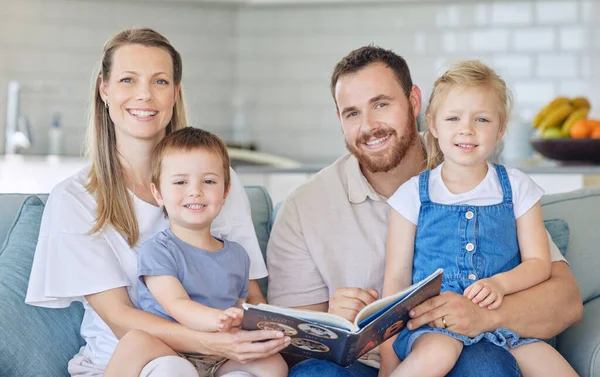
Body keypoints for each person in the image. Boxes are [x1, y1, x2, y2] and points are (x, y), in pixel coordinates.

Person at [266, 46, 583, 377]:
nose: (369, 126)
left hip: (469, 350)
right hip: (365, 364)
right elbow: (290, 346)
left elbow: (565, 299)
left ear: (414, 103)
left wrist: (484, 316)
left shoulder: (481, 181)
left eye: (381, 104)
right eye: (352, 113)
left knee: (486, 363)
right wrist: (334, 319)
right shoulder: (304, 207)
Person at [25, 28, 289, 377]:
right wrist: (212, 342)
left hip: (219, 355)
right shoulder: (74, 199)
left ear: (175, 93)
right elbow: (121, 320)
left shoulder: (219, 182)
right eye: (128, 80)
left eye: (160, 81)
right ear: (105, 89)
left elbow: (250, 294)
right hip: (130, 361)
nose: (145, 95)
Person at [379, 60, 578, 377]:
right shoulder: (412, 195)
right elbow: (396, 282)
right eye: (453, 117)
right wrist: (387, 362)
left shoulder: (517, 188)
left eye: (482, 119)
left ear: (500, 129)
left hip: (503, 326)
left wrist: (500, 284)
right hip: (433, 327)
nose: (466, 129)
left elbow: (539, 263)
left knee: (557, 369)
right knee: (438, 354)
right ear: (433, 124)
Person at [104, 128, 288, 377]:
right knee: (136, 341)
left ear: (225, 192)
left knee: (274, 365)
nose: (195, 191)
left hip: (220, 355)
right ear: (158, 193)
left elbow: (242, 305)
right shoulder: (158, 250)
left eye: (209, 181)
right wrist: (220, 320)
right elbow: (176, 304)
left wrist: (259, 327)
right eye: (180, 182)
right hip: (171, 347)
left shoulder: (237, 255)